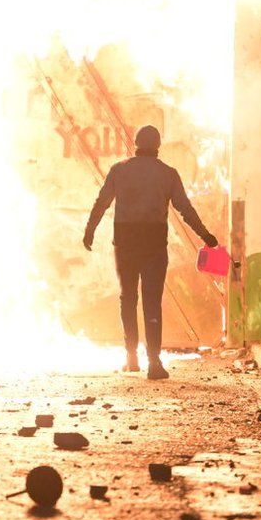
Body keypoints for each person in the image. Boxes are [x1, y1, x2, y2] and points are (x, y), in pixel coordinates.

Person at [83, 125, 217, 380]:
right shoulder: (168, 174)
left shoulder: (119, 170)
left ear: (135, 143)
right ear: (158, 145)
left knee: (128, 297)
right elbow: (185, 210)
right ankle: (154, 362)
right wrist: (206, 236)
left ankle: (131, 357)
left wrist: (90, 229)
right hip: (154, 242)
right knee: (152, 301)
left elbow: (101, 202)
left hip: (125, 241)